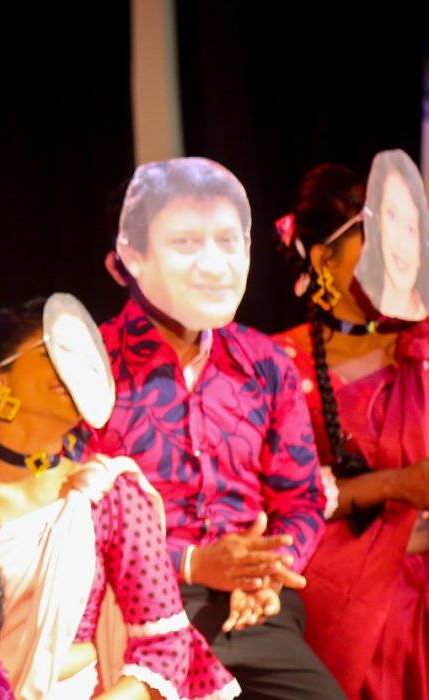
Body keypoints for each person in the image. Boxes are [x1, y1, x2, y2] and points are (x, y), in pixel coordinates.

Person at [0, 298, 238, 699]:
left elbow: (164, 648)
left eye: (82, 358)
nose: (71, 369)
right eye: (52, 352)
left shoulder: (109, 495)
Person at [97, 157, 339, 699]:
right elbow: (73, 519)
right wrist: (193, 563)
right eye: (185, 243)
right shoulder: (91, 368)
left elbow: (302, 498)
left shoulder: (266, 363)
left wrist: (265, 570)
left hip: (256, 611)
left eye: (228, 241)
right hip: (135, 614)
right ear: (129, 258)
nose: (214, 265)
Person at [271, 163, 429, 698]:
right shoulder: (273, 363)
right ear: (324, 259)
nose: (398, 251)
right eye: (378, 237)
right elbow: (278, 504)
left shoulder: (421, 350)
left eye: (406, 233)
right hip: (341, 612)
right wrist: (395, 485)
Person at [356, 150, 429, 321]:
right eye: (392, 216)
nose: (401, 243)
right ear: (377, 222)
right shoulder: (360, 306)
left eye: (411, 228)